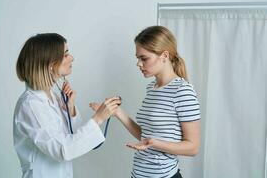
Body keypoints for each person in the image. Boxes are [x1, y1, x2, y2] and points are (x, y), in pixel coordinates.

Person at [91, 26, 201, 178]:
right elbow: (146, 136)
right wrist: (117, 112)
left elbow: (193, 147)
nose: (138, 64)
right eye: (138, 58)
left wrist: (156, 144)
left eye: (144, 58)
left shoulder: (182, 91)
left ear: (164, 55)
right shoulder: (152, 88)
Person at [13, 33, 121, 178]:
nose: (72, 58)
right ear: (50, 65)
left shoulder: (51, 96)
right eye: (65, 54)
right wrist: (98, 118)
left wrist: (69, 109)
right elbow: (62, 150)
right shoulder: (31, 105)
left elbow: (73, 138)